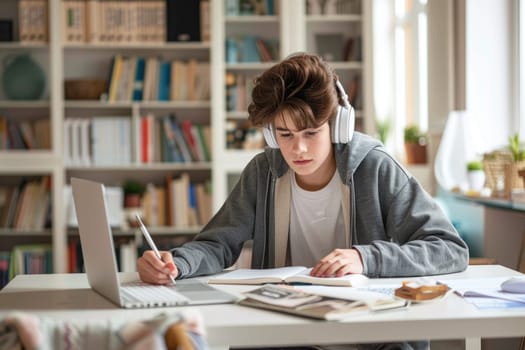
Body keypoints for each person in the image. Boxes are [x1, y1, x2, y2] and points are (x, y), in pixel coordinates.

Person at [138, 52, 469, 350]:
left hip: (369, 336)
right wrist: (176, 263)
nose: (299, 149)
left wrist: (365, 258)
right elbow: (217, 244)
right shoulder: (264, 172)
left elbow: (449, 248)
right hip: (285, 334)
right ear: (271, 134)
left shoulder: (376, 167)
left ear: (338, 126)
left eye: (311, 133)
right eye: (285, 135)